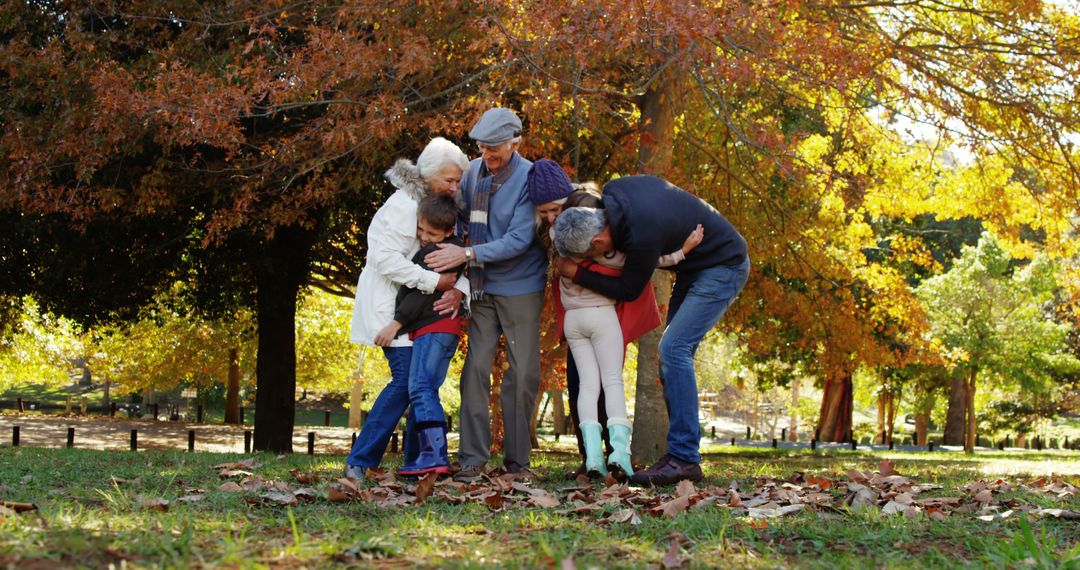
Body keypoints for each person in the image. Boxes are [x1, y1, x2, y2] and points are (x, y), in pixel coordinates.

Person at [552, 175, 749, 486]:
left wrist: (577, 273)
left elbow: (628, 289)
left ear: (598, 242)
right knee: (672, 354)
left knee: (674, 349)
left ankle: (684, 459)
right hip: (694, 266)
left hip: (723, 265)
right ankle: (680, 453)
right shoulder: (614, 191)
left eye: (590, 258)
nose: (594, 262)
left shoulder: (640, 236)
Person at [425, 108, 547, 482]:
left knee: (522, 372)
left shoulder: (529, 177)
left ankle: (517, 462)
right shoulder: (474, 172)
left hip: (521, 285)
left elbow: (519, 238)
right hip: (481, 286)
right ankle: (473, 459)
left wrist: (467, 254)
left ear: (516, 143)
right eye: (482, 150)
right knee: (475, 369)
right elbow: (458, 218)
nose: (488, 158)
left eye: (495, 151)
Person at [344, 137, 470, 482]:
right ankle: (360, 459)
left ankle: (419, 462)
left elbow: (453, 259)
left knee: (422, 383)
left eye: (458, 181)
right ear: (429, 175)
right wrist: (435, 283)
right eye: (449, 180)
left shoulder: (438, 207)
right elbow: (384, 260)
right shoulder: (404, 205)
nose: (454, 187)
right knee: (404, 382)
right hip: (391, 306)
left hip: (420, 313)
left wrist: (457, 288)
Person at [553, 202, 703, 478]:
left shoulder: (564, 251)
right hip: (601, 316)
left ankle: (593, 458)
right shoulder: (609, 255)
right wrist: (683, 252)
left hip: (573, 320)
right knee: (612, 382)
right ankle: (619, 454)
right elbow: (650, 260)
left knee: (587, 385)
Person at [372, 194, 467, 477]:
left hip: (434, 329)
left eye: (432, 233)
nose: (424, 237)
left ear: (449, 232)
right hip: (441, 330)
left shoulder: (435, 253)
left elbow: (416, 297)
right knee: (425, 388)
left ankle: (434, 454)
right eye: (421, 230)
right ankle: (428, 454)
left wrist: (395, 324)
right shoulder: (453, 248)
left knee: (420, 387)